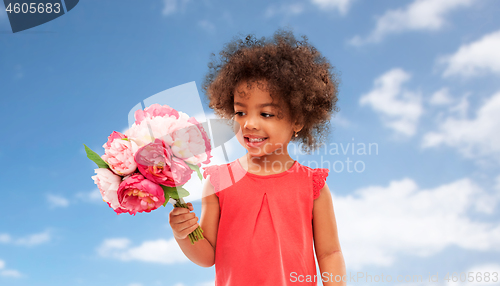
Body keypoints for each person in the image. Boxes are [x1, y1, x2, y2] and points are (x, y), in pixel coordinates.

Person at [169, 27, 346, 286]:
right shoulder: (219, 181)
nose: (249, 124)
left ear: (297, 120)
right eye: (240, 113)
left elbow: (330, 253)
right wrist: (184, 234)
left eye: (266, 114)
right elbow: (208, 256)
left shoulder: (312, 186)